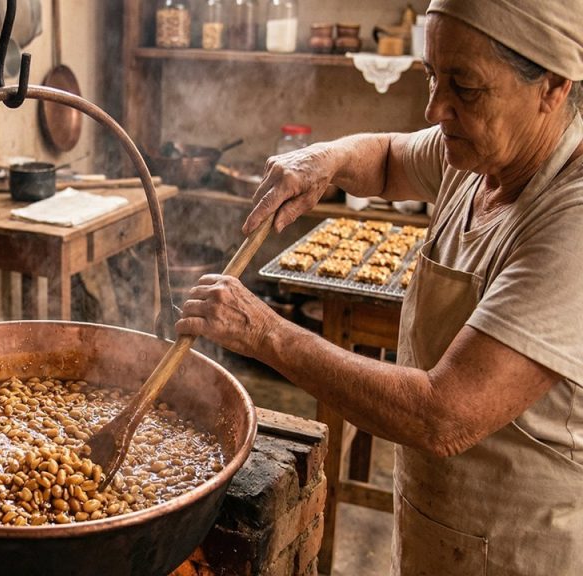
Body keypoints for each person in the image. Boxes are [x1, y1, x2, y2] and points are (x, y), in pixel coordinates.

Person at [174, 2, 583, 574]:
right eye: (432, 77)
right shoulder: (478, 155)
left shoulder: (569, 222)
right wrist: (325, 159)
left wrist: (265, 332)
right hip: (441, 518)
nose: (436, 109)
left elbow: (443, 415)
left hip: (520, 541)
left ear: (553, 87)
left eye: (464, 87)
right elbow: (392, 157)